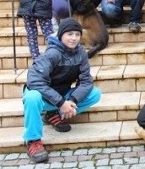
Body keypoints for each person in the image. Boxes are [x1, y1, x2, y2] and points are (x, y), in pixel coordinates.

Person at [22, 18, 102, 163]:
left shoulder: (81, 54)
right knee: (31, 97)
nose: (74, 38)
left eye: (77, 34)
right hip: (43, 96)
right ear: (61, 35)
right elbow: (33, 80)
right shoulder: (52, 53)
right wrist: (60, 102)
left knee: (95, 94)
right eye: (70, 34)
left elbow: (86, 81)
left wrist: (71, 101)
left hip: (62, 96)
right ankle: (33, 140)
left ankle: (54, 114)